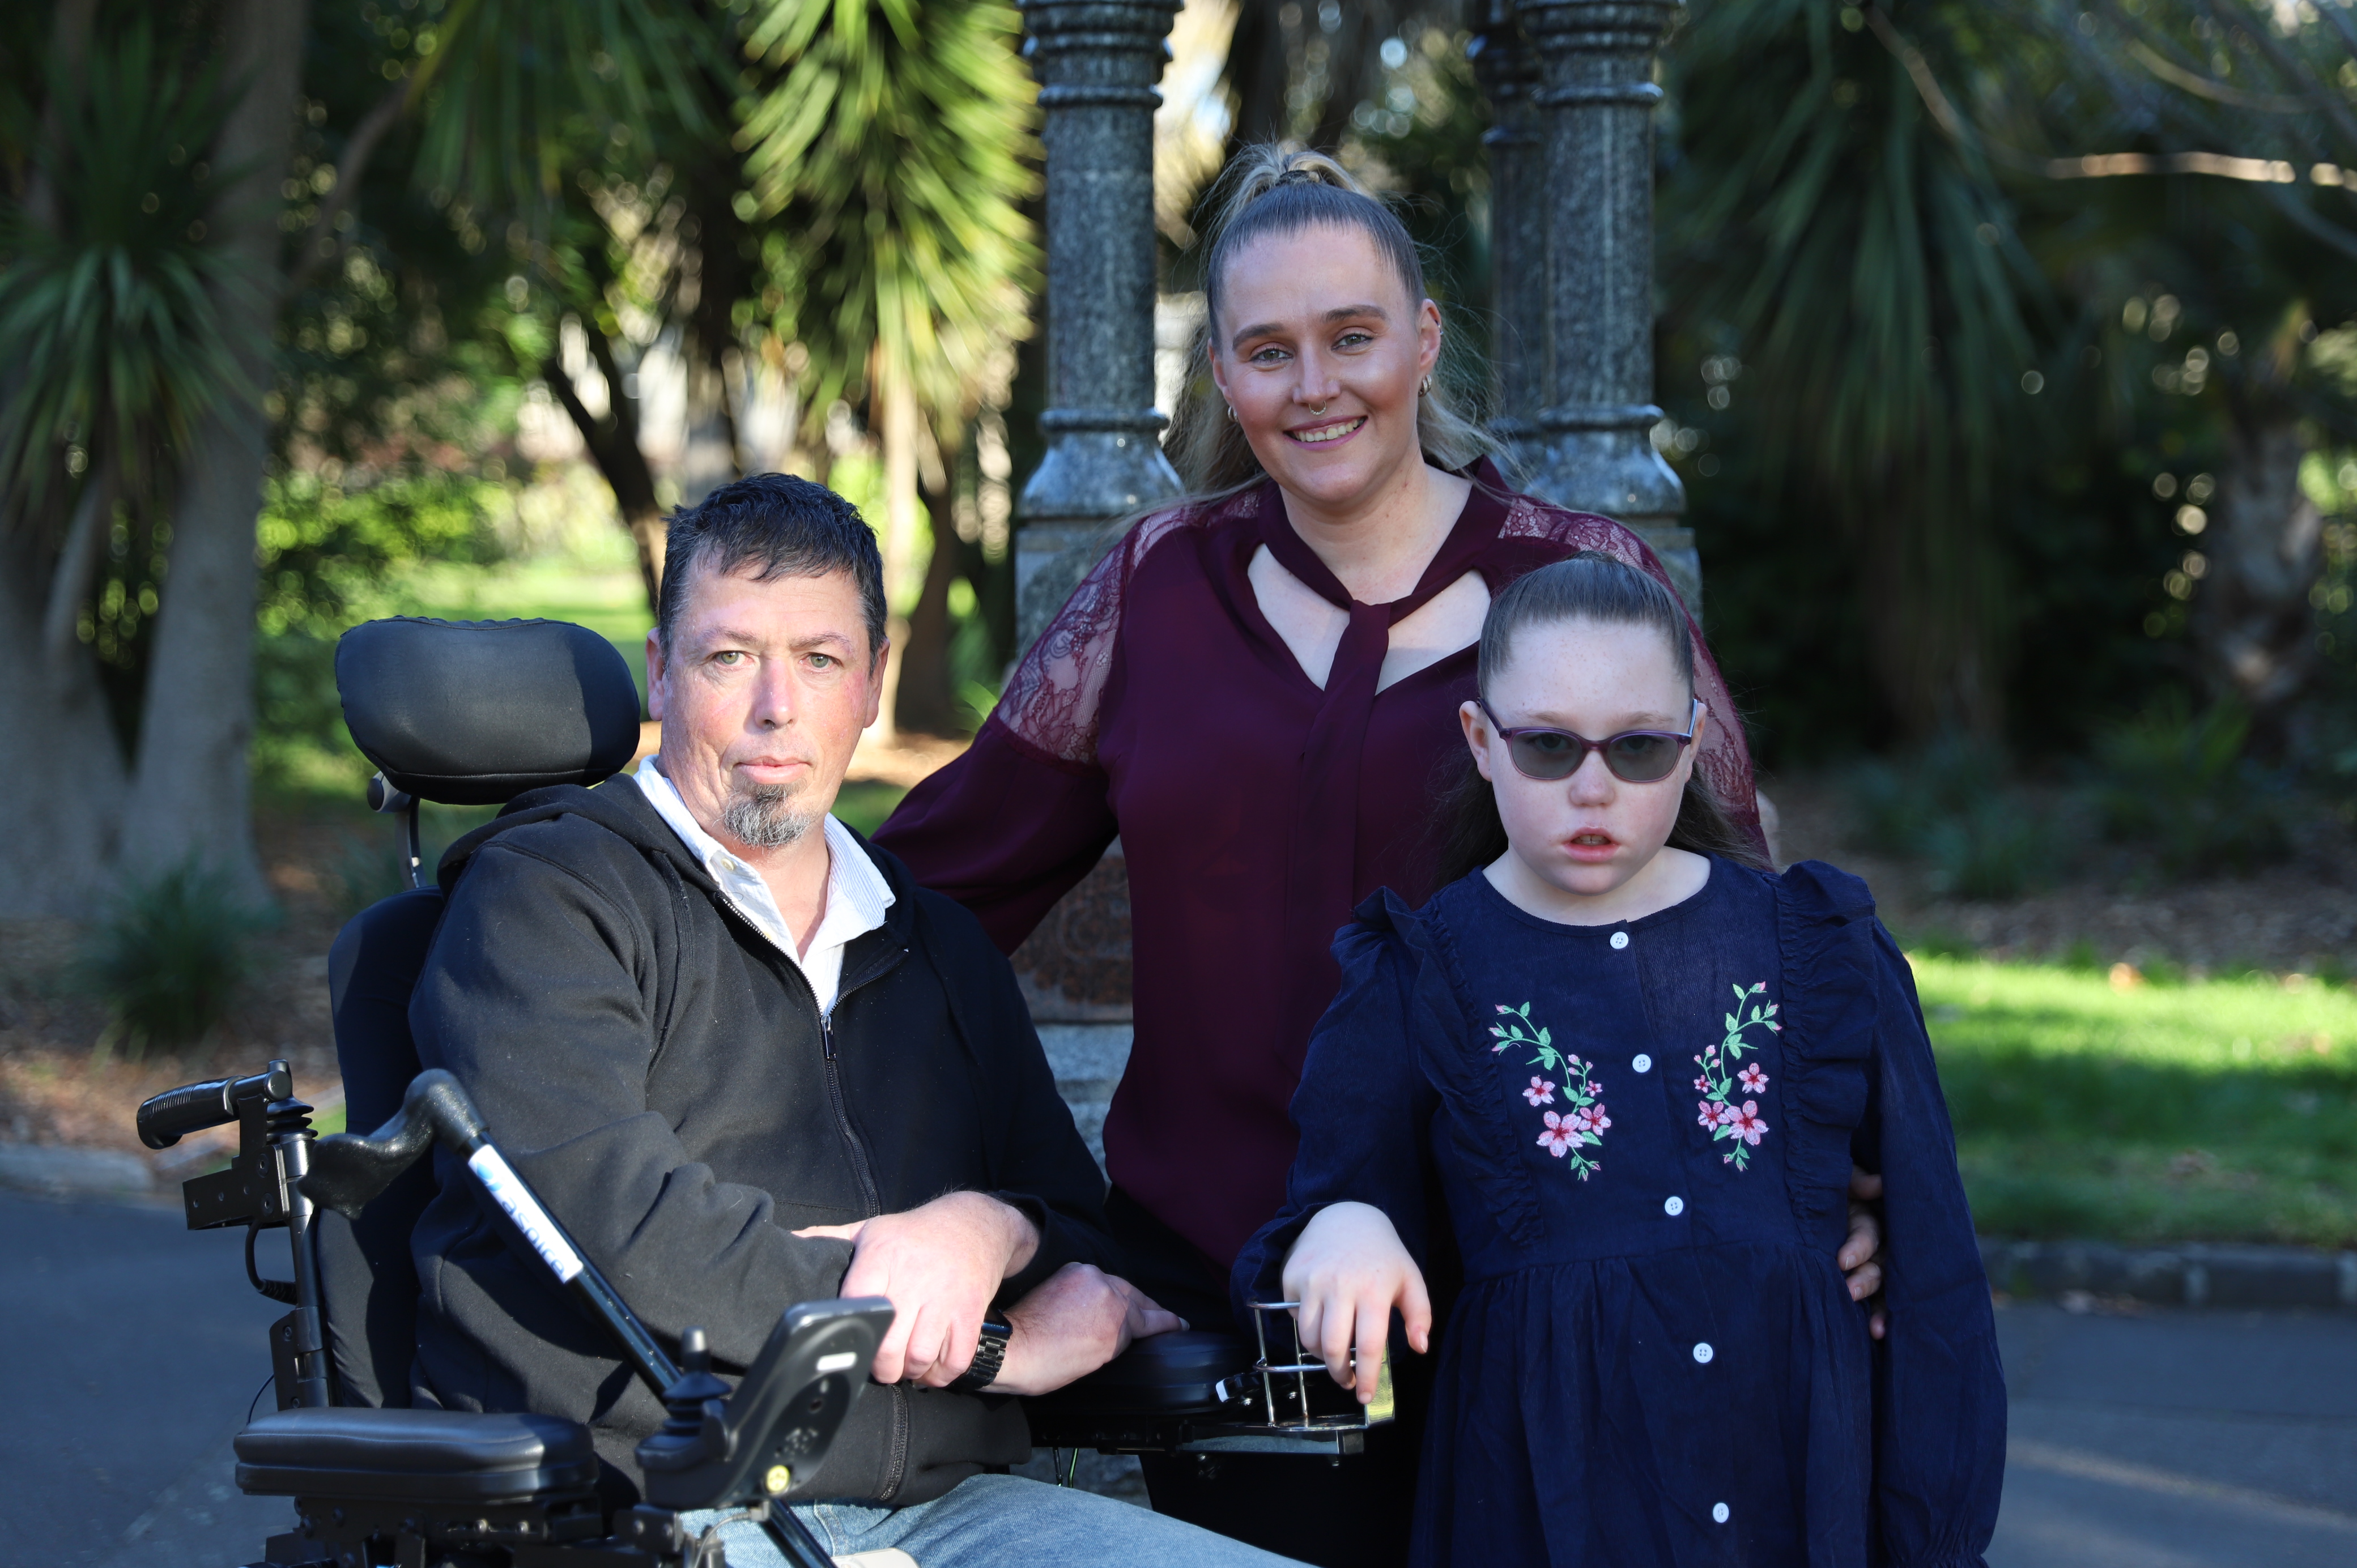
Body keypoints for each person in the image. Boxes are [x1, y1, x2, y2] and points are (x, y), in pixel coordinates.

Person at [874, 148, 1888, 1560]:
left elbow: (1738, 931)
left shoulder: (1577, 584)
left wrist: (1840, 1181)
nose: (1316, 386)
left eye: (1352, 337)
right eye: (1269, 351)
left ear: (1421, 340)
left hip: (1551, 1278)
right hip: (1239, 1292)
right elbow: (939, 885)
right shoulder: (1155, 590)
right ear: (1221, 377)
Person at [405, 473, 1301, 1568]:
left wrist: (980, 1232)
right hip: (655, 1508)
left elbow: (1075, 1225)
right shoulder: (546, 901)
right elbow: (629, 1235)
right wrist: (982, 1343)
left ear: (873, 680)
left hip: (949, 1515)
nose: (777, 706)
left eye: (820, 660)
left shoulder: (937, 944)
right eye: (729, 657)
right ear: (661, 671)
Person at [1235, 555, 2006, 1566]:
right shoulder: (1418, 974)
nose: (1592, 789)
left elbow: (1935, 1267)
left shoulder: (1821, 950)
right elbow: (1338, 1200)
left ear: (1692, 746)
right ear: (1482, 741)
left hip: (1794, 1493)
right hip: (1547, 1504)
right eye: (1548, 746)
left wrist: (1934, 1537)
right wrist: (1347, 1226)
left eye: (1638, 748)